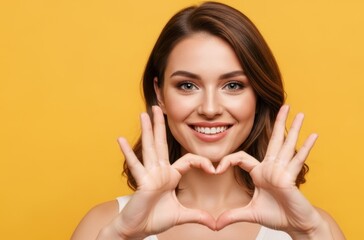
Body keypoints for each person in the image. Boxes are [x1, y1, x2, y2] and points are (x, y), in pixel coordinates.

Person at [72, 2, 345, 239]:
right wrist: (121, 236)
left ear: (258, 95)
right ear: (160, 94)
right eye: (188, 85)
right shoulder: (104, 225)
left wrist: (309, 235)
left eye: (233, 85)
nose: (210, 109)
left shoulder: (315, 227)